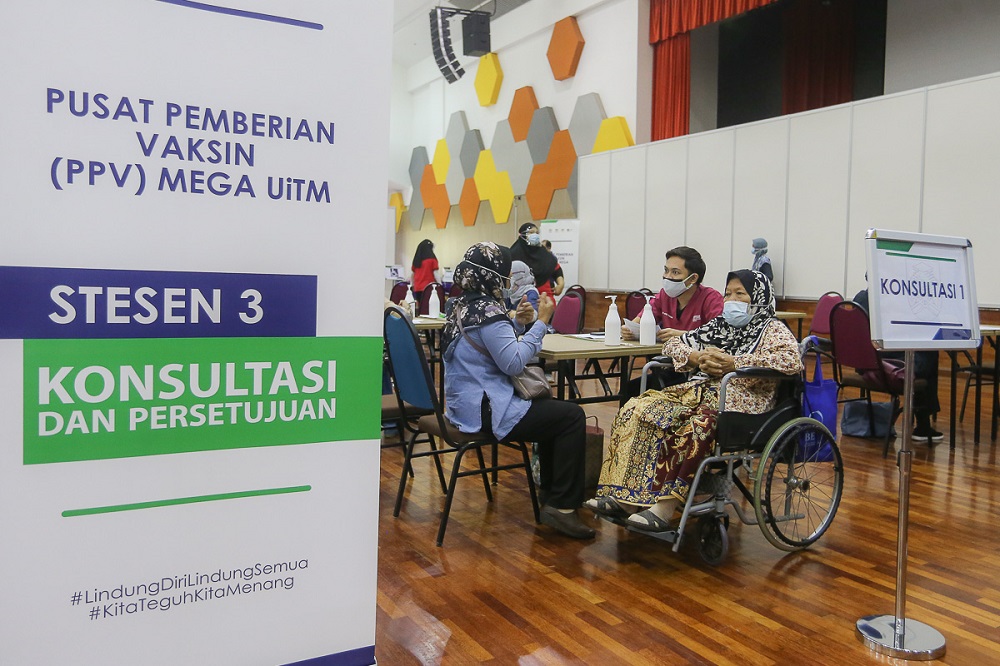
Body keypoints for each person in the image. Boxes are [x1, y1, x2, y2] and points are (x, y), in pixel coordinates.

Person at [585, 270, 803, 531]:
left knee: (696, 423)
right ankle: (626, 499)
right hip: (700, 390)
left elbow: (791, 361)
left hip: (743, 400)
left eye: (740, 293)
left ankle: (665, 506)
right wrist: (697, 357)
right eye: (728, 293)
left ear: (759, 297)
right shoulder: (720, 324)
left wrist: (735, 362)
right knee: (638, 408)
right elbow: (674, 345)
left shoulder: (773, 329)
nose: (731, 299)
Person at [442, 242, 594, 539]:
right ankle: (560, 506)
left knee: (555, 416)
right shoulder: (489, 313)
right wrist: (542, 324)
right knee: (571, 416)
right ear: (493, 275)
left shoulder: (459, 305)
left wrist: (518, 323)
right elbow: (512, 363)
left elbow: (490, 347)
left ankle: (553, 498)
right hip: (488, 409)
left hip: (463, 405)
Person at [619, 246, 725, 405]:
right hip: (667, 365)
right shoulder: (664, 295)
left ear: (692, 278)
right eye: (666, 270)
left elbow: (719, 336)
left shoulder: (711, 298)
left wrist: (683, 335)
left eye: (675, 272)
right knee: (628, 390)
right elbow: (638, 321)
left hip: (697, 371)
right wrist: (629, 330)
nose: (667, 277)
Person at [853, 286, 942, 442]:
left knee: (919, 357)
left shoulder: (859, 298)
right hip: (887, 365)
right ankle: (923, 424)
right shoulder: (893, 300)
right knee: (928, 353)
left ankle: (923, 423)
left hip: (866, 363)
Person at [511, 223, 558, 298]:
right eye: (531, 232)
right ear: (522, 234)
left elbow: (557, 270)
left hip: (545, 296)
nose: (535, 235)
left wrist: (560, 284)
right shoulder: (513, 254)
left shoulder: (545, 254)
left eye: (537, 233)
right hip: (521, 298)